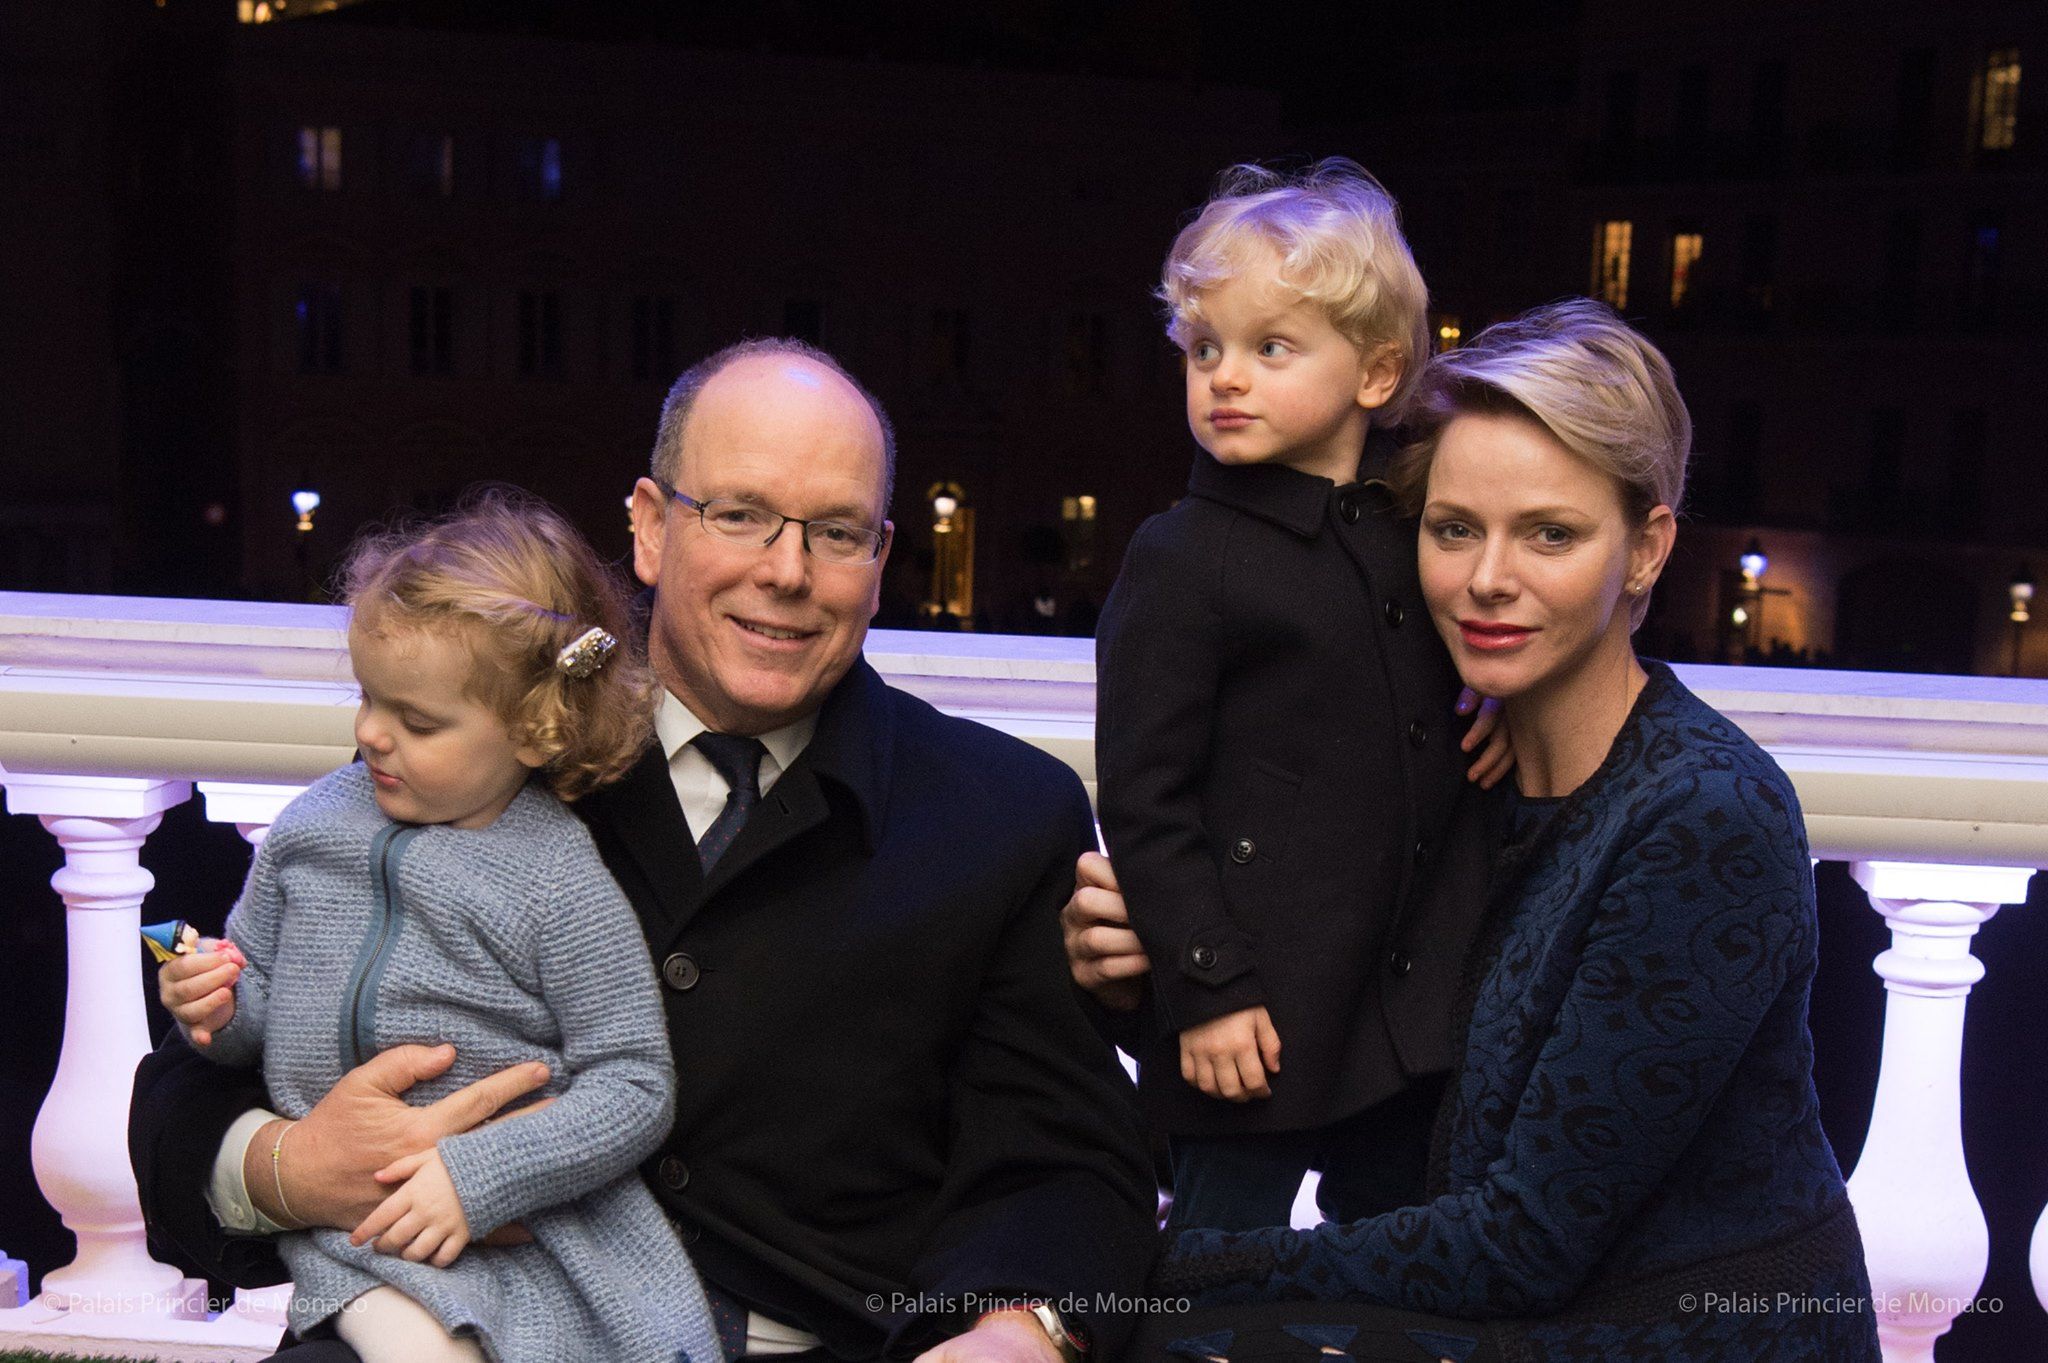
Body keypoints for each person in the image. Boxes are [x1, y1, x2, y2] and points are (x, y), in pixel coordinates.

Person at [131, 339, 1159, 1363]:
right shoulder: (485, 742)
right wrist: (291, 1169)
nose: (787, 571)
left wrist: (1019, 1332)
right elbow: (190, 1093)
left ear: (881, 559)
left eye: (836, 532)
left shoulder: (1004, 814)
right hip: (458, 1317)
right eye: (741, 514)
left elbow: (1064, 1160)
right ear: (650, 527)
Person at [1069, 301, 1881, 1360]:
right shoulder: (1457, 782)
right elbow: (1329, 1038)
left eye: (1549, 533)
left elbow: (1522, 1242)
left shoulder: (1700, 813)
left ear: (1644, 549)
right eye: (1452, 530)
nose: (1486, 578)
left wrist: (1159, 1272)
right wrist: (1150, 980)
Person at [155, 490, 721, 1363]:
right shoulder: (310, 830)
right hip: (361, 1238)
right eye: (369, 698)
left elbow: (635, 1082)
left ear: (538, 729)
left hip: (525, 1239)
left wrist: (477, 1176)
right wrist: (220, 1008)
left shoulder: (558, 880)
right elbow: (259, 1018)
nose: (371, 735)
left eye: (416, 721)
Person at [1092, 160, 1507, 1236]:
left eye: (1268, 348)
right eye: (1203, 349)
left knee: (1406, 1278)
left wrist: (1496, 708)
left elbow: (1471, 648)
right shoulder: (1178, 557)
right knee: (1209, 1288)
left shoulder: (1414, 526)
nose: (1223, 376)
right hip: (1249, 1022)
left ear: (1374, 375)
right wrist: (1207, 987)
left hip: (1401, 1015)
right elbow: (1145, 797)